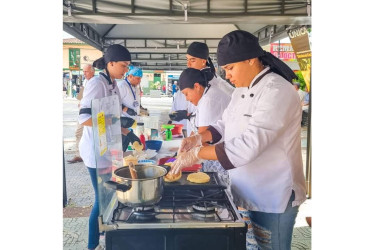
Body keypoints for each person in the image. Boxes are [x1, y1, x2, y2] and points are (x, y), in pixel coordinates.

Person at [170, 30, 306, 250]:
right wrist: (198, 138)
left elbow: (249, 145)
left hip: (273, 193)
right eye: (225, 70)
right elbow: (224, 124)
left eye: (230, 68)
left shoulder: (277, 90)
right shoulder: (240, 90)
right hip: (247, 188)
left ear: (251, 59)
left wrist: (197, 154)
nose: (227, 76)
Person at [78, 44, 132, 250]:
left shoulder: (113, 82)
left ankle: (104, 237)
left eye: (127, 66)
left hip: (109, 148)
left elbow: (114, 112)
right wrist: (110, 121)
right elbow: (84, 118)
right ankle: (92, 245)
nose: (125, 70)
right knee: (102, 199)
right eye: (123, 65)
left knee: (111, 197)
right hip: (95, 151)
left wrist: (125, 130)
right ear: (110, 63)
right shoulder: (96, 83)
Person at [67, 63, 95, 164]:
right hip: (83, 111)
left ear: (93, 71)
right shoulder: (86, 81)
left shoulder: (96, 83)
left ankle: (84, 155)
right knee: (78, 133)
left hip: (91, 113)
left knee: (86, 134)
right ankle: (79, 155)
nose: (84, 73)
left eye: (86, 71)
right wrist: (80, 102)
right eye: (83, 72)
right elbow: (82, 95)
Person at [117, 65, 143, 152]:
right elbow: (114, 102)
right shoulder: (122, 86)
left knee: (126, 147)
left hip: (131, 123)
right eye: (138, 78)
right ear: (130, 76)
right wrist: (126, 109)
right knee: (120, 150)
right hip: (123, 124)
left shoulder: (135, 87)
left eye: (140, 78)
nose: (139, 81)